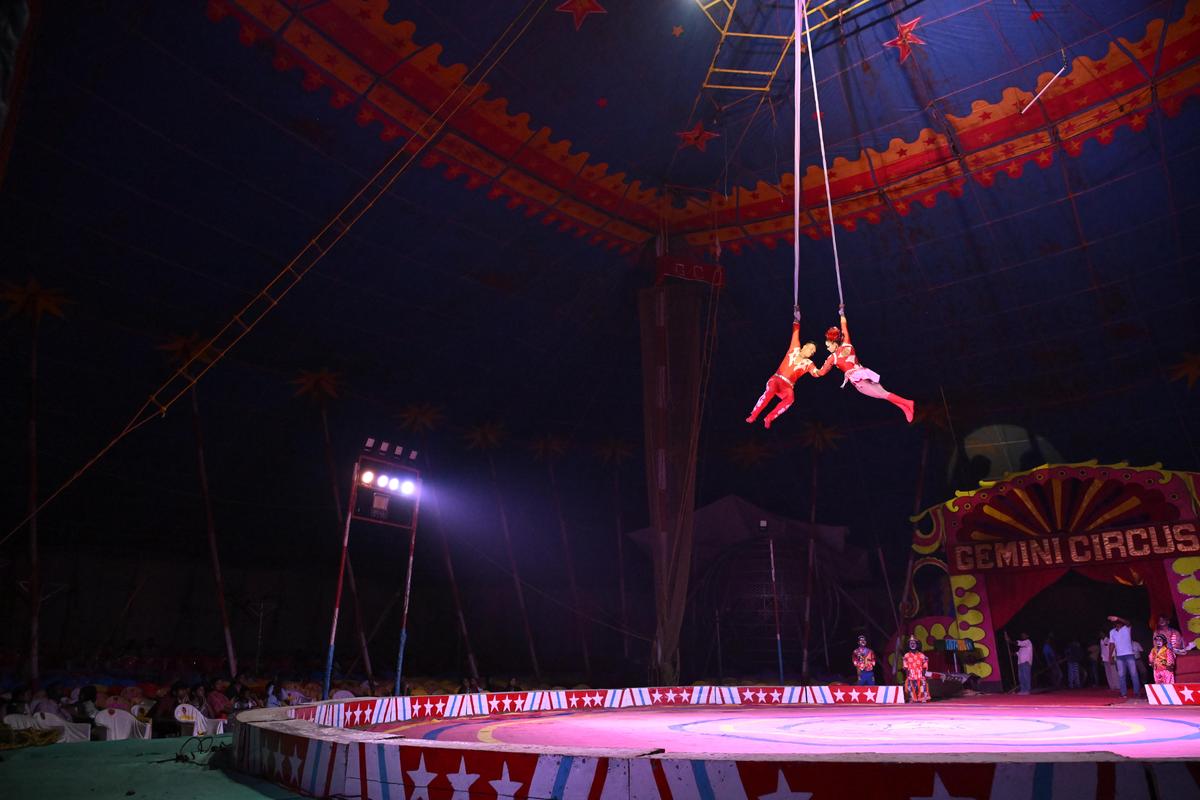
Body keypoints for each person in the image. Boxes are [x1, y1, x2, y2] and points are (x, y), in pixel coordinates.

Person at [813, 312, 914, 422]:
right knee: (883, 393)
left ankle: (907, 403)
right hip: (865, 372)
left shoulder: (832, 358)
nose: (827, 348)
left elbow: (821, 373)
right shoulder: (847, 343)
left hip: (859, 380)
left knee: (883, 394)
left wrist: (813, 369)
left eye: (828, 346)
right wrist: (842, 314)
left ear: (834, 344)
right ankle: (904, 408)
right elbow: (844, 327)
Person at [746, 320, 822, 429]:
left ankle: (769, 418)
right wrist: (797, 319)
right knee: (770, 392)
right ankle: (753, 415)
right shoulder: (794, 348)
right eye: (810, 348)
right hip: (776, 379)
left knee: (791, 398)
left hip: (787, 386)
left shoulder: (809, 363)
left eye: (813, 352)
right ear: (804, 346)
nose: (811, 352)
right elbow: (795, 332)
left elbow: (816, 373)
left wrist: (826, 366)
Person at [1107, 615, 1141, 699]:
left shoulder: (1126, 628)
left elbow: (1128, 622)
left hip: (1129, 654)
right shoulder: (1112, 632)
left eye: (1118, 622)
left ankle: (1136, 692)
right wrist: (1110, 656)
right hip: (1119, 656)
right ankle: (1123, 693)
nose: (1117, 624)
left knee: (1133, 674)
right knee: (1121, 675)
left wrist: (1118, 618)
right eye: (1116, 623)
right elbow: (1112, 644)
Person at [902, 636, 930, 702]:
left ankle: (922, 698)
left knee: (922, 685)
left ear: (917, 645)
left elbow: (925, 663)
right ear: (909, 645)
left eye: (914, 643)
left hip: (920, 674)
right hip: (911, 674)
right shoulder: (906, 655)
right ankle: (912, 698)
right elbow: (905, 666)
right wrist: (907, 674)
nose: (912, 644)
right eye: (911, 643)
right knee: (910, 686)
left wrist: (923, 673)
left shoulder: (921, 655)